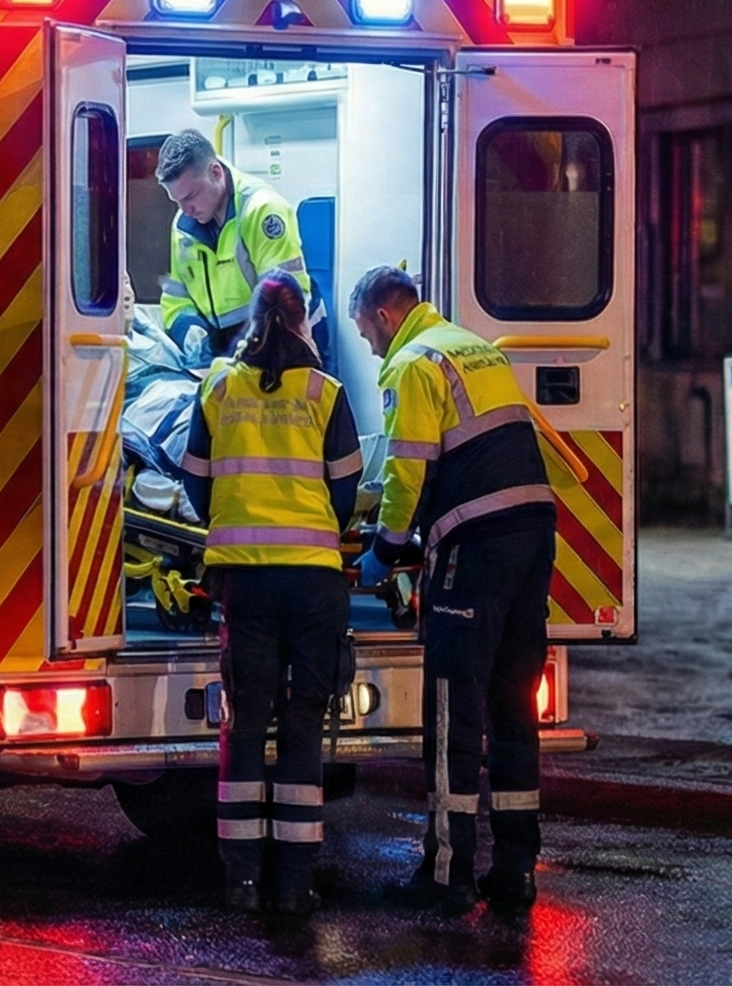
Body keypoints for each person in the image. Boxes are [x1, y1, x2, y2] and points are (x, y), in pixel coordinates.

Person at [348, 264, 555, 912]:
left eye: (366, 333)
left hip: (477, 544)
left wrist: (386, 548)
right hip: (531, 534)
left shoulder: (413, 363)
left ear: (385, 316)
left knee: (452, 713)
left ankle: (447, 874)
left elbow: (408, 469)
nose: (370, 348)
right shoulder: (473, 347)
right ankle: (515, 869)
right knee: (513, 708)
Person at [175, 276, 362, 916]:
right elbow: (346, 490)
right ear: (304, 321)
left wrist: (231, 518)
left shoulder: (219, 388)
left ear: (250, 320)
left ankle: (243, 880)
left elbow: (195, 481)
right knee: (304, 725)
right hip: (313, 580)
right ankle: (294, 883)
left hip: (245, 579)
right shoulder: (325, 393)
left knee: (246, 725)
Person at [156, 129, 317, 357]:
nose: (185, 210)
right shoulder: (183, 228)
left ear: (215, 173)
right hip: (225, 349)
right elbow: (176, 297)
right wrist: (188, 328)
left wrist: (250, 353)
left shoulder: (261, 210)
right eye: (177, 201)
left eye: (190, 196)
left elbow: (285, 302)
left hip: (280, 342)